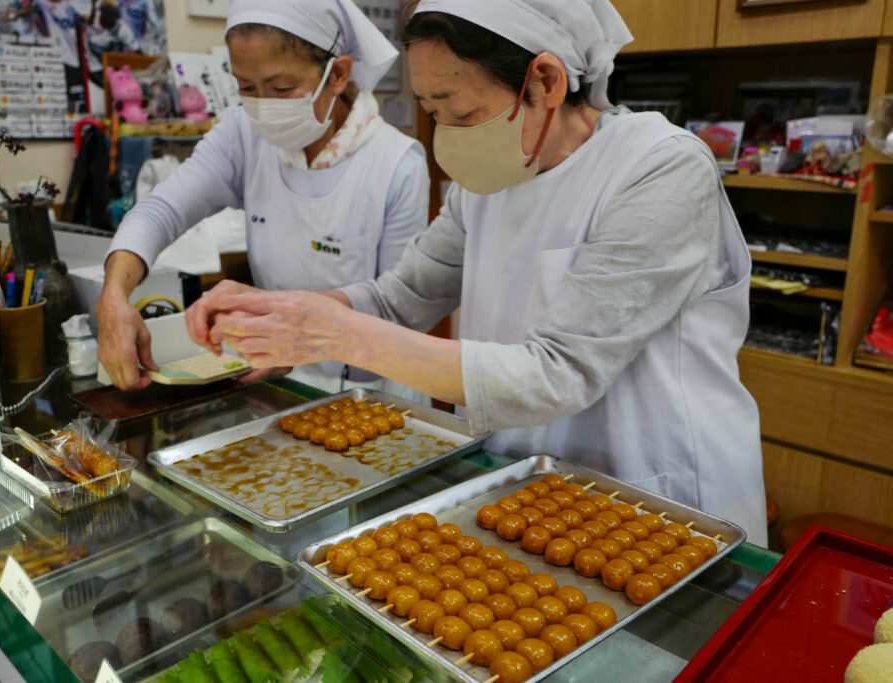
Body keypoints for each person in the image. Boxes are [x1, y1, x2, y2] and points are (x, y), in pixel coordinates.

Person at [187, 0, 769, 545]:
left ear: (545, 81)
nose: (447, 134)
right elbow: (403, 296)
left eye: (461, 112)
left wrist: (335, 333)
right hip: (534, 488)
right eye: (433, 112)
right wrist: (288, 316)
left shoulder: (659, 167)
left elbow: (560, 371)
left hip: (661, 494)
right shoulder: (487, 182)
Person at [98, 0, 429, 393]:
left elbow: (399, 314)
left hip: (373, 392)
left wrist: (300, 340)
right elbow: (160, 210)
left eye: (282, 88)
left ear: (338, 74)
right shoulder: (243, 135)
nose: (264, 105)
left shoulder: (396, 165)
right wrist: (114, 294)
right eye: (247, 88)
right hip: (274, 384)